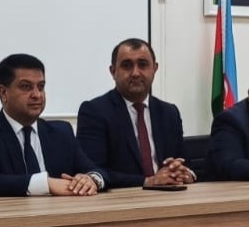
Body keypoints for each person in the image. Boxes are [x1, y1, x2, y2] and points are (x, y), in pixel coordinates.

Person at [0, 53, 105, 197]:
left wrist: (91, 180)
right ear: (3, 92)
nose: (37, 94)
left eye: (41, 86)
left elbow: (95, 170)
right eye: (26, 87)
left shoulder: (62, 132)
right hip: (10, 211)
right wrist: (46, 184)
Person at [77, 38, 194, 187]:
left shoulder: (169, 112)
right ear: (113, 71)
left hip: (168, 196)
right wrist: (148, 181)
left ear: (154, 69)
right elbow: (94, 172)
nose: (135, 73)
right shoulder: (94, 112)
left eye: (143, 65)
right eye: (127, 66)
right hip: (120, 199)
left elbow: (185, 162)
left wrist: (184, 173)